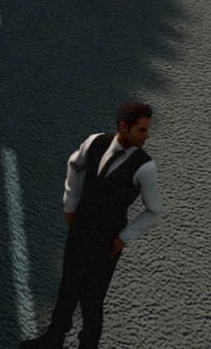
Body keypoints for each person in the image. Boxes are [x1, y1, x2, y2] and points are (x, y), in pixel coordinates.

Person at [20, 102, 162, 349]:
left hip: (108, 240)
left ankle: (88, 345)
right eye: (141, 130)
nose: (146, 136)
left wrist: (124, 237)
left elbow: (153, 210)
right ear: (123, 126)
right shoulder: (95, 142)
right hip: (80, 229)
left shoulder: (145, 167)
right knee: (68, 285)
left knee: (92, 298)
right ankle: (54, 337)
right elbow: (75, 165)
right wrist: (70, 205)